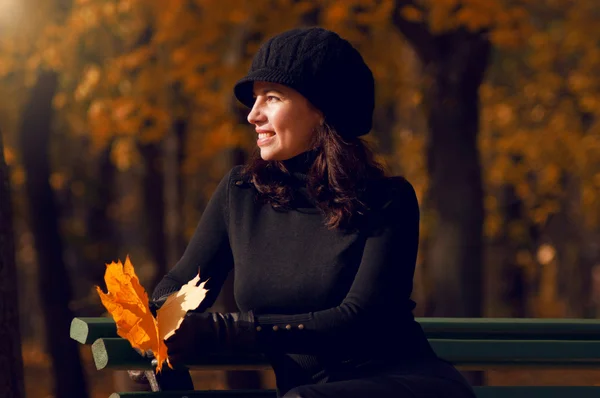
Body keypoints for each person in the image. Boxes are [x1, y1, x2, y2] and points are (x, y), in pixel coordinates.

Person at [150, 27, 476, 398]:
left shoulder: (387, 200)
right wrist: (158, 327)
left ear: (322, 110)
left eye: (271, 97)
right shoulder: (239, 193)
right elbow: (181, 284)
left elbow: (360, 318)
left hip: (406, 386)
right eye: (255, 99)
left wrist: (228, 329)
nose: (253, 115)